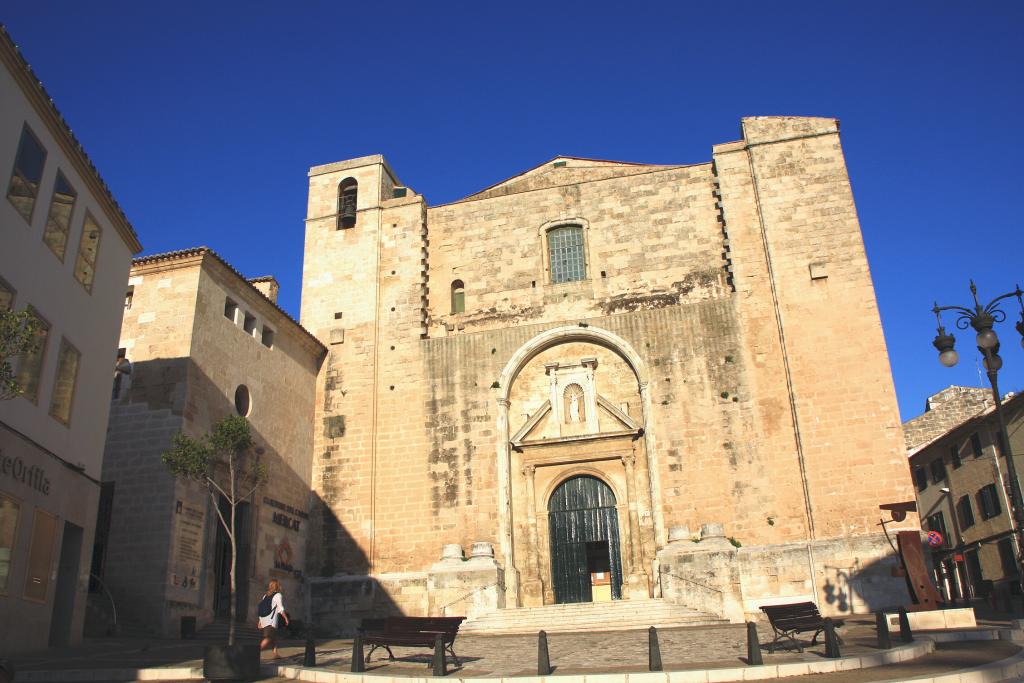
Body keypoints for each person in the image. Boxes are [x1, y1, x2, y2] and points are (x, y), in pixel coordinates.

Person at [256, 579, 289, 658]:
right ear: (278, 586)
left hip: (264, 619)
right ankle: (255, 652)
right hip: (271, 621)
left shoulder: (265, 596)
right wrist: (286, 618)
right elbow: (280, 609)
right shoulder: (278, 595)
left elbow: (261, 609)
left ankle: (275, 654)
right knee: (269, 638)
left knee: (273, 637)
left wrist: (260, 621)